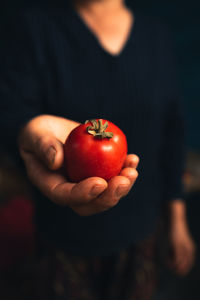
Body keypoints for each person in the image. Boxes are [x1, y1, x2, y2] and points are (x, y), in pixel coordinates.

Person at [0, 0, 196, 299]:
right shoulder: (31, 28)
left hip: (143, 233)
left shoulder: (155, 36)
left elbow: (172, 135)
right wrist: (27, 132)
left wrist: (177, 218)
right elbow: (11, 115)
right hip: (61, 238)